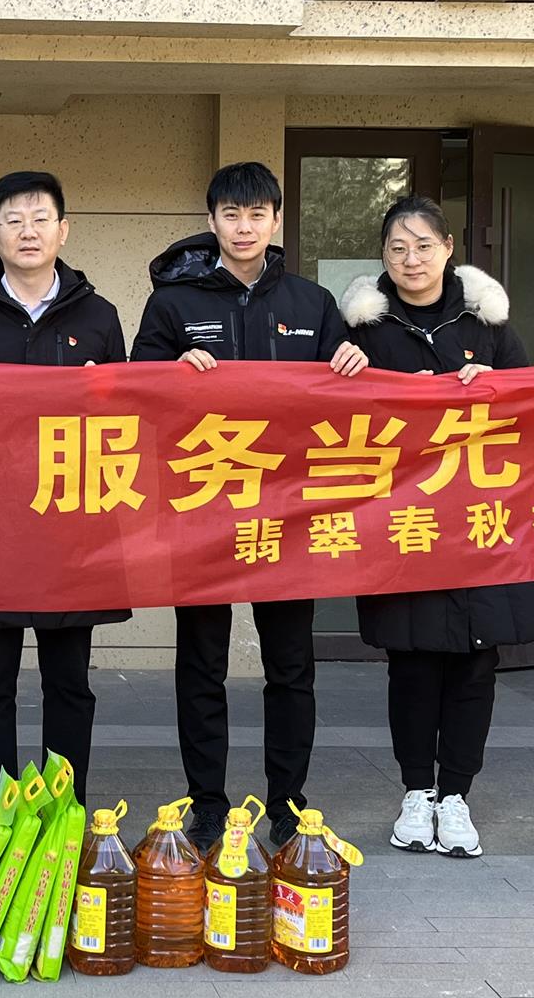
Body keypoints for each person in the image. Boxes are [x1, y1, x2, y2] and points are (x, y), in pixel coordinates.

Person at [132, 160, 369, 848]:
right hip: (201, 507)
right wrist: (169, 372)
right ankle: (207, 803)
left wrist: (353, 362)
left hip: (288, 512)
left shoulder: (310, 304)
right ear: (211, 221)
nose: (244, 227)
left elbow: (346, 400)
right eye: (231, 215)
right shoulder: (173, 304)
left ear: (275, 220)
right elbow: (135, 391)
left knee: (291, 667)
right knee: (201, 664)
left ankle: (288, 803)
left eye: (257, 214)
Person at [340, 196, 534, 859]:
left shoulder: (487, 323)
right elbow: (327, 419)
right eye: (397, 248)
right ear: (383, 255)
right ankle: (417, 793)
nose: (411, 260)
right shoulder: (360, 329)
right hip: (402, 523)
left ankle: (456, 796)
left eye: (424, 246)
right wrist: (347, 375)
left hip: (479, 526)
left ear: (449, 249)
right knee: (411, 663)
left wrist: (497, 386)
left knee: (474, 663)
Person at [0, 171, 129, 802]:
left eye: (41, 218)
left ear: (63, 230)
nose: (28, 231)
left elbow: (125, 422)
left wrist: (102, 396)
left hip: (72, 527)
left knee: (69, 682)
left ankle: (65, 811)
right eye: (13, 221)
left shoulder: (99, 317)